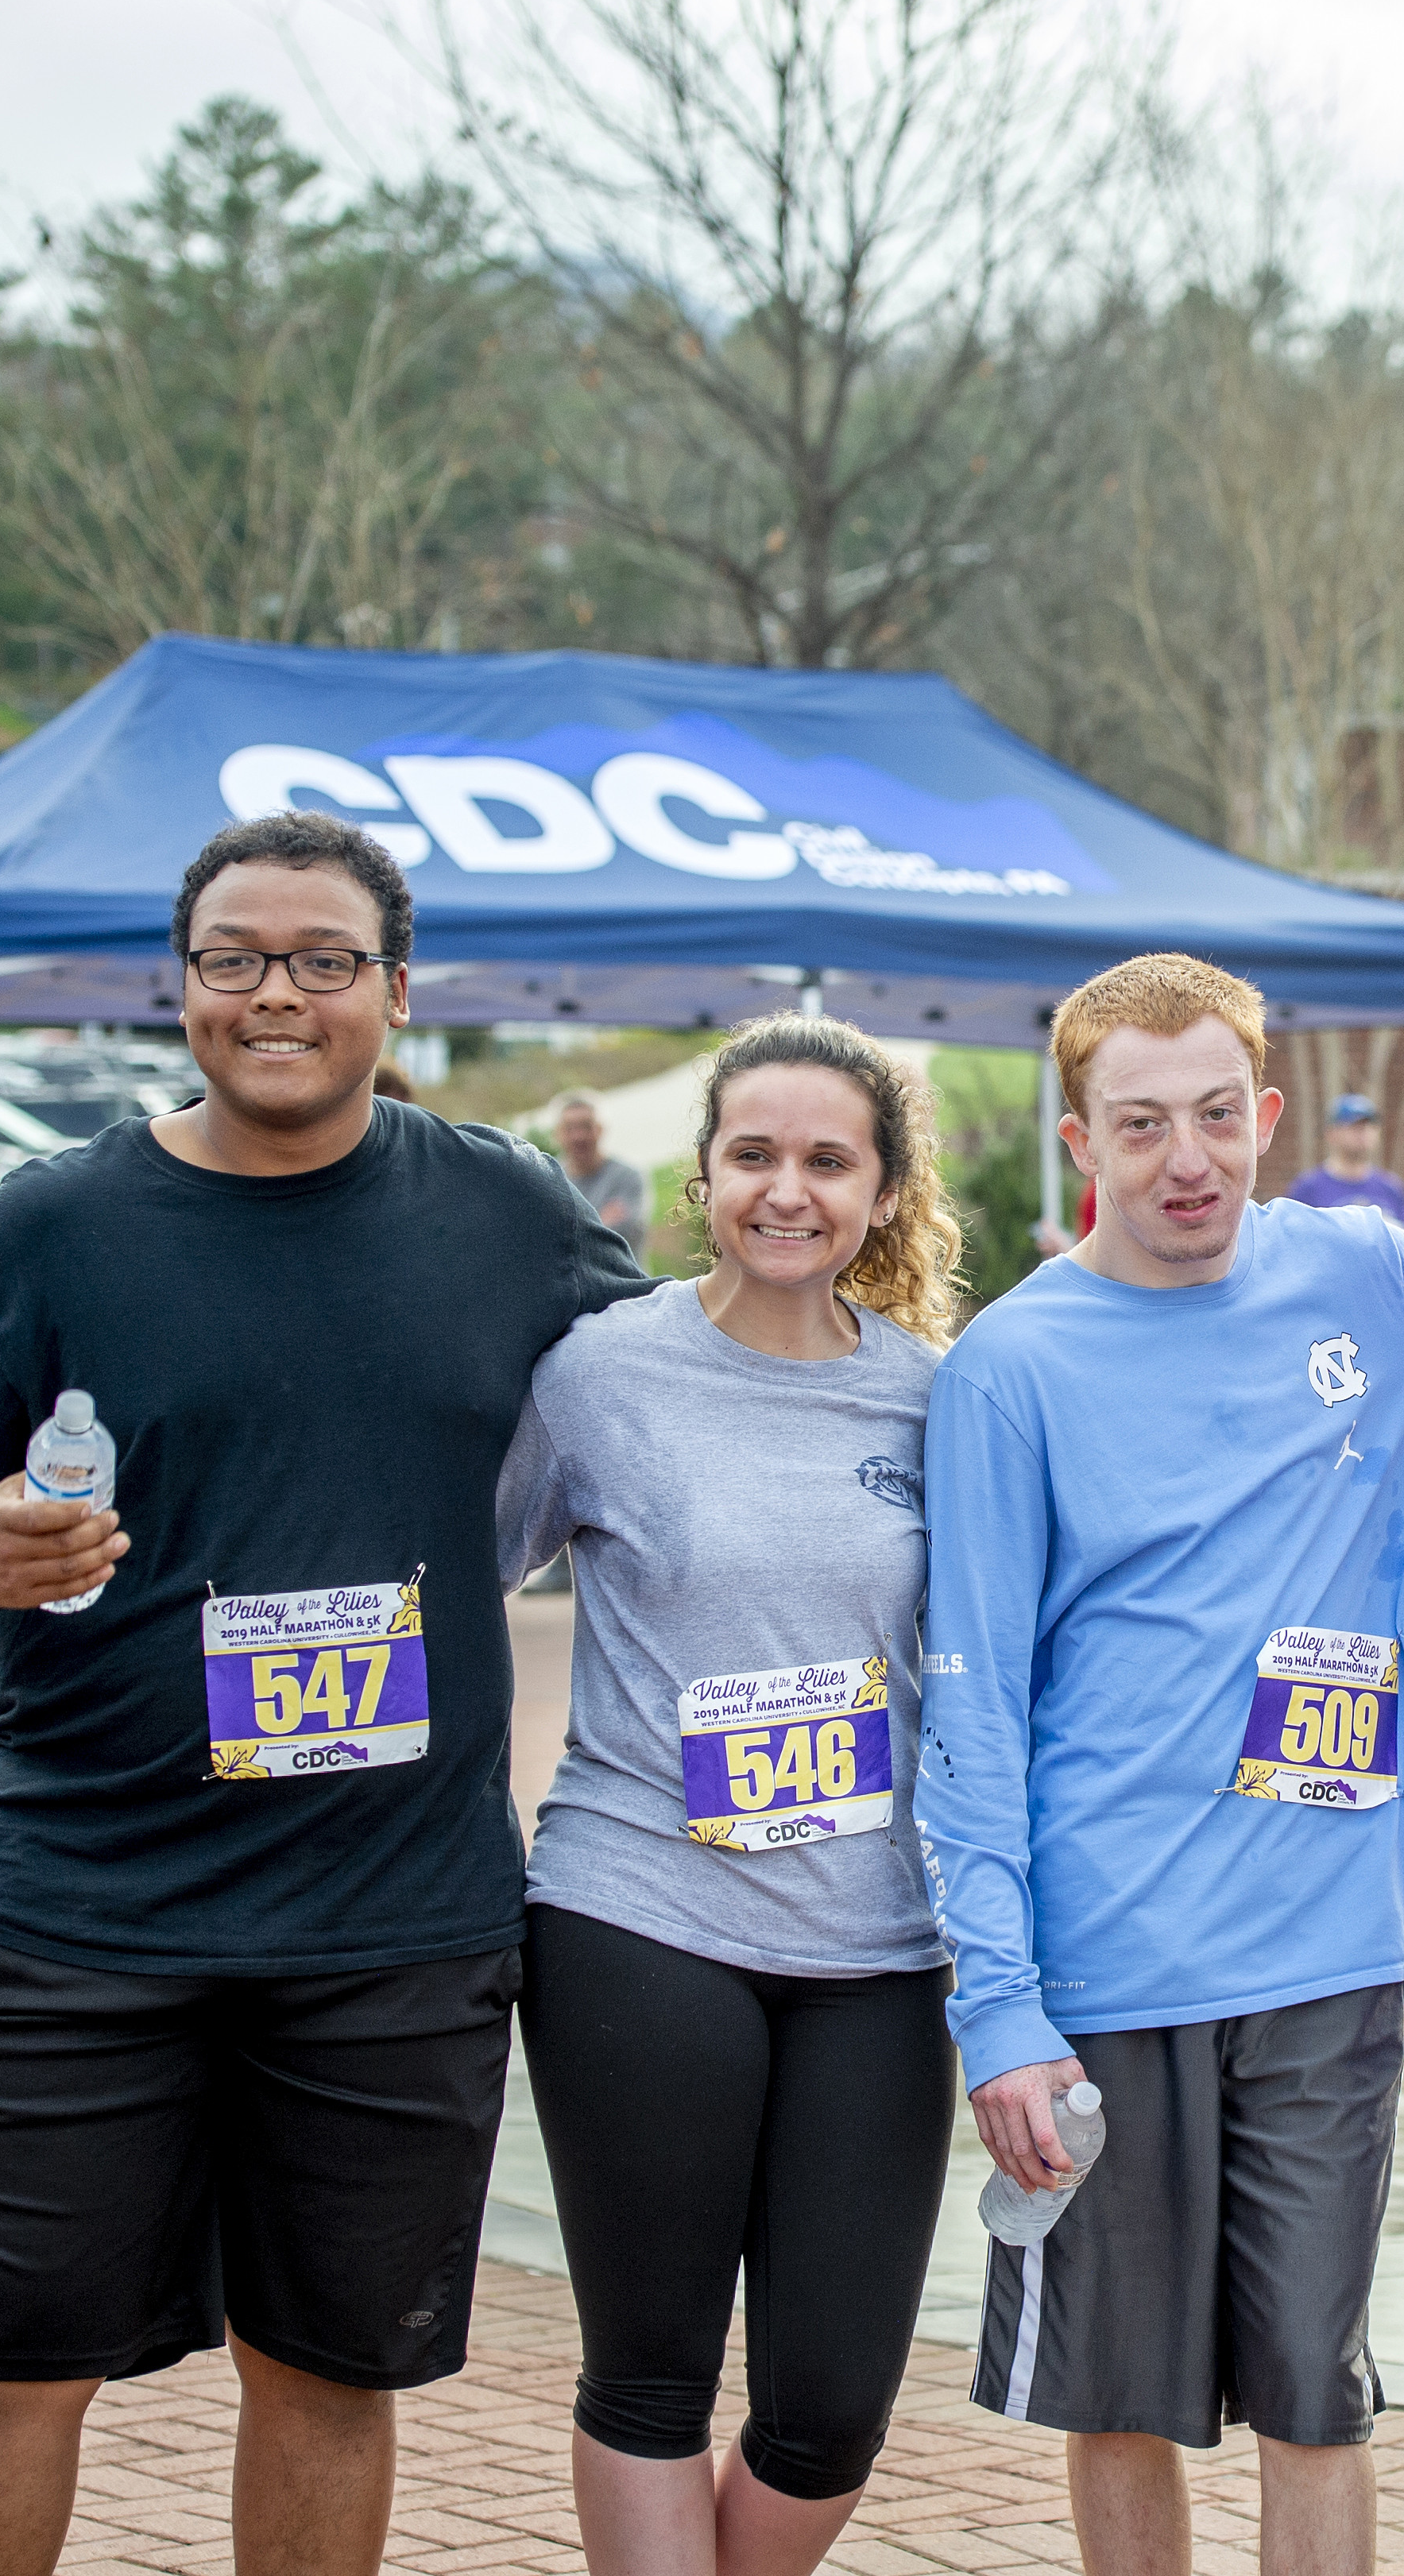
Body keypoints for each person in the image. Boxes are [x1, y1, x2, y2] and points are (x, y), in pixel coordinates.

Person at [0, 810, 649, 2576]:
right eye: (235, 960)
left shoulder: (500, 1209)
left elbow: (702, 1385)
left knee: (332, 2375)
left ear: (394, 991)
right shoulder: (51, 1227)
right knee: (2, 2371)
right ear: (181, 989)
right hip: (79, 1910)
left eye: (323, 960)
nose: (277, 993)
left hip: (389, 1929)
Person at [919, 953, 1404, 2576]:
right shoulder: (1010, 1370)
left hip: (1326, 1949)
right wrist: (999, 2002)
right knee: (1121, 2402)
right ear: (1078, 1143)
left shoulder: (1371, 1278)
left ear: (1258, 1117)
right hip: (1105, 1968)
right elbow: (970, 1711)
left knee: (1319, 2394)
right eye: (1136, 1124)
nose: (1182, 1159)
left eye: (1208, 1117)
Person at [501, 1013, 965, 2576]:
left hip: (874, 1947)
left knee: (829, 2402)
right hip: (638, 1911)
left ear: (884, 1190)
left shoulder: (935, 1398)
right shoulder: (597, 1371)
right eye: (752, 1153)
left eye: (826, 1158)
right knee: (651, 2372)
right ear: (700, 1176)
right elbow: (449, 1564)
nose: (787, 1188)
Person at [1282, 1093, 1404, 1230]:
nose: (1363, 1133)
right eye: (1355, 1127)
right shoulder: (1309, 1188)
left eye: (1369, 1126)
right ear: (1331, 1133)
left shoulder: (1391, 1188)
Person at [558, 1090, 652, 1246]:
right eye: (570, 1128)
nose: (578, 1136)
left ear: (600, 1129)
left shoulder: (629, 1177)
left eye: (586, 1127)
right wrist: (600, 1222)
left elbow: (616, 1239)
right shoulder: (549, 1178)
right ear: (558, 1134)